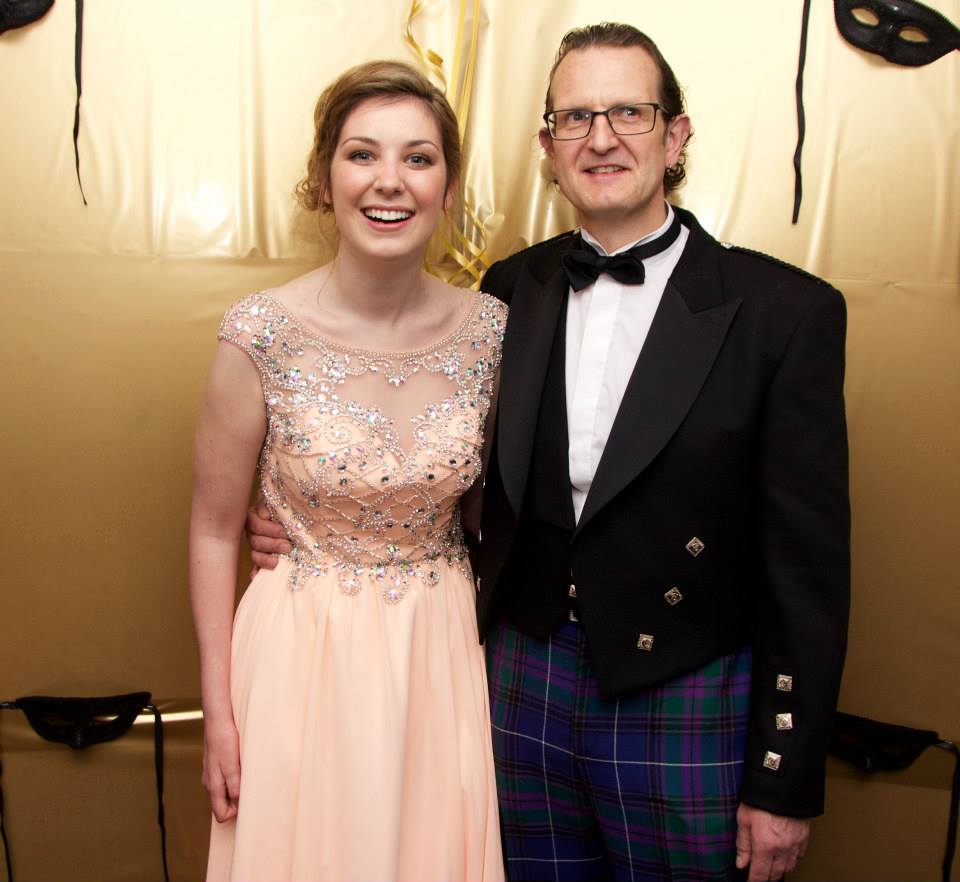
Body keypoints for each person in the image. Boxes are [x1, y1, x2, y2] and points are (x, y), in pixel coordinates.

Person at [249, 23, 850, 882]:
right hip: (517, 678)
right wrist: (290, 507)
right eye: (575, 118)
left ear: (676, 135)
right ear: (547, 146)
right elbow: (434, 460)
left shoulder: (783, 314)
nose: (600, 138)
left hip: (682, 689)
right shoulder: (506, 292)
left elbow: (809, 570)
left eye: (629, 113)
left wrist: (784, 780)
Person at [190, 60, 505, 882]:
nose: (389, 182)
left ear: (447, 183)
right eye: (363, 154)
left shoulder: (495, 334)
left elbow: (498, 511)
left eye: (419, 158)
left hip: (438, 652)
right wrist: (219, 713)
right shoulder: (259, 334)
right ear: (324, 180)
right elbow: (213, 528)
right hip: (300, 652)